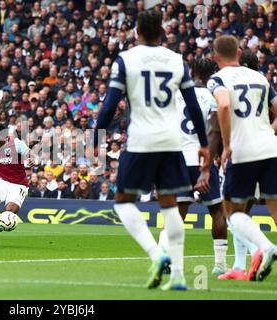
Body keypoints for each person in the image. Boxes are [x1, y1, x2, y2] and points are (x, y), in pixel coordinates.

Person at [96, 11, 210, 291]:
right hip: (172, 141)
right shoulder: (176, 60)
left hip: (141, 140)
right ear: (161, 31)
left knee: (123, 201)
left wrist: (96, 134)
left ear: (137, 32)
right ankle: (180, 275)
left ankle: (156, 254)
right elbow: (193, 105)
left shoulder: (126, 60)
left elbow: (111, 104)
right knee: (170, 204)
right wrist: (205, 144)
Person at [207, 35, 277, 281]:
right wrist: (270, 131)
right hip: (271, 148)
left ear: (215, 57)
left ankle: (266, 247)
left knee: (233, 211)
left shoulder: (217, 79)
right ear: (238, 52)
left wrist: (227, 146)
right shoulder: (260, 78)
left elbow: (224, 107)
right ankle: (239, 267)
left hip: (243, 151)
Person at [158, 58, 229, 275]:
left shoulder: (176, 95)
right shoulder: (213, 96)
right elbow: (216, 129)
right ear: (212, 73)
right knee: (216, 210)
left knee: (177, 213)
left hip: (178, 160)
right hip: (202, 160)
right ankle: (219, 265)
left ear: (192, 71)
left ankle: (165, 257)